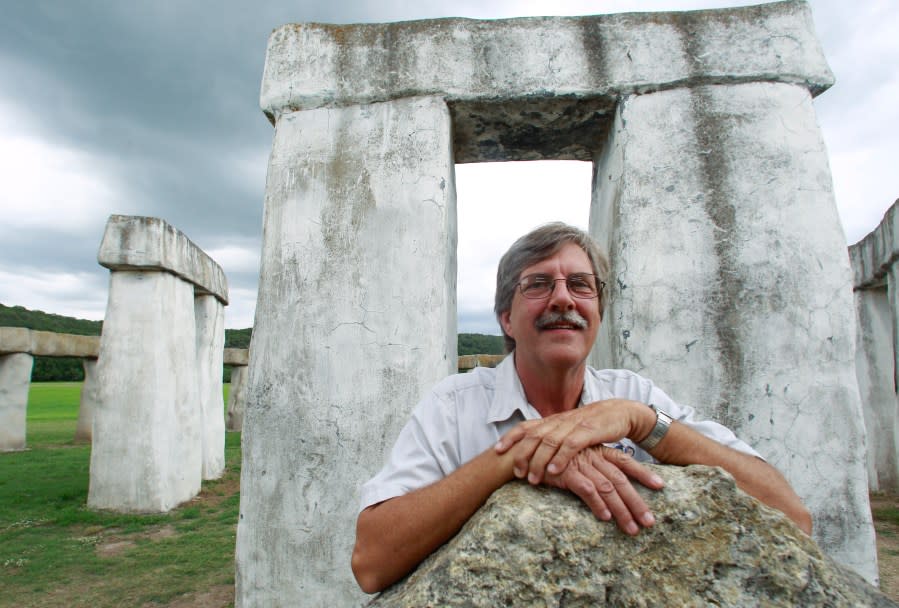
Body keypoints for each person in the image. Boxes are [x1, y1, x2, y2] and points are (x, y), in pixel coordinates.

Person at [351, 222, 811, 594]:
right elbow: (370, 564)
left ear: (598, 311)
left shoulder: (635, 394)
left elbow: (792, 515)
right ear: (506, 318)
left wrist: (645, 423)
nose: (563, 298)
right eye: (538, 284)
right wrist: (515, 458)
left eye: (580, 285)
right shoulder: (452, 406)